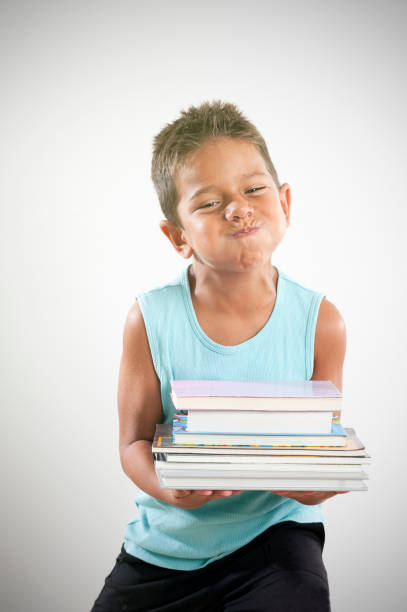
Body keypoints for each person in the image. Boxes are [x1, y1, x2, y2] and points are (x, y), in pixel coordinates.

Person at [91, 100, 347, 612]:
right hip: (162, 550)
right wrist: (168, 485)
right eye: (209, 202)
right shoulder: (150, 318)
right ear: (178, 236)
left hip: (274, 543)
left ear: (285, 202)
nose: (238, 207)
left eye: (254, 189)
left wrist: (317, 483)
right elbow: (133, 444)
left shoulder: (321, 322)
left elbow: (322, 453)